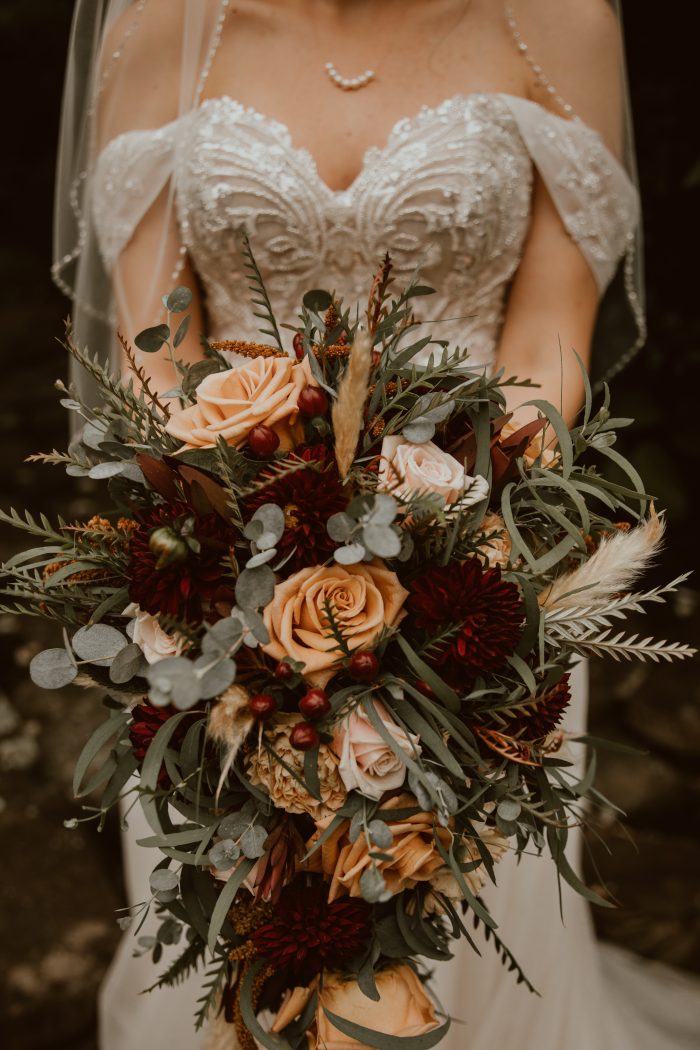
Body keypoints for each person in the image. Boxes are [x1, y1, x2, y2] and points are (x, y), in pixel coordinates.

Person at [52, 2, 699, 1048]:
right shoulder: (163, 20)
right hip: (225, 575)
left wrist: (461, 533)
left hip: (481, 579)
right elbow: (152, 342)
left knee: (470, 933)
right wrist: (242, 541)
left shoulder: (559, 20)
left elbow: (547, 328)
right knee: (239, 918)